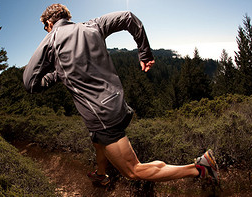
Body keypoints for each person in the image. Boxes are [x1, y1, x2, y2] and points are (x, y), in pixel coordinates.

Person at [23, 3, 219, 185]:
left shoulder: (51, 40)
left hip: (101, 115)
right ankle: (101, 175)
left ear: (49, 23)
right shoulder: (93, 25)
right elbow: (128, 17)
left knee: (134, 170)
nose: (46, 31)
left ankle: (199, 168)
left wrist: (57, 73)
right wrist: (145, 53)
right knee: (97, 140)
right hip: (116, 102)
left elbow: (30, 83)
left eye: (45, 28)